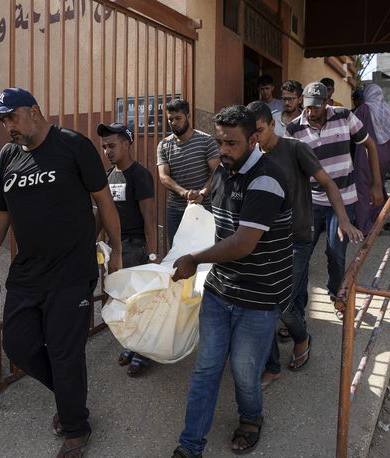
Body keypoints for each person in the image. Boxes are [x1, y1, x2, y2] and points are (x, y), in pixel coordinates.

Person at [0, 88, 122, 457]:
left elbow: (103, 199)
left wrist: (117, 251)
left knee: (64, 351)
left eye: (12, 116)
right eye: (2, 119)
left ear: (34, 112)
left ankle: (75, 426)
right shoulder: (7, 157)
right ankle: (71, 397)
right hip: (28, 273)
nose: (7, 125)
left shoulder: (72, 145)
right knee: (18, 345)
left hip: (72, 271)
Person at [170, 105, 292, 457]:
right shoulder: (224, 170)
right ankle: (189, 445)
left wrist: (194, 259)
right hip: (221, 288)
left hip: (260, 293)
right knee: (206, 368)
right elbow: (213, 217)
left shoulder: (267, 179)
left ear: (254, 139)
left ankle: (251, 419)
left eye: (231, 143)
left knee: (243, 369)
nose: (223, 150)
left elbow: (242, 243)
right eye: (220, 142)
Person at [247, 101, 363, 387]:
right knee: (271, 301)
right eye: (250, 133)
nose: (255, 138)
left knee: (281, 304)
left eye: (259, 131)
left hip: (296, 238)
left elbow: (329, 184)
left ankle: (301, 337)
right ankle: (272, 364)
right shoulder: (251, 155)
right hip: (261, 239)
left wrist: (343, 220)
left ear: (272, 125)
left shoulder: (295, 149)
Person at [285, 81, 384, 308]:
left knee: (335, 253)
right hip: (311, 202)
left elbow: (370, 145)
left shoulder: (344, 116)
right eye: (308, 107)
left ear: (327, 104)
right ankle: (296, 309)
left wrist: (376, 184)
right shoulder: (293, 130)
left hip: (343, 199)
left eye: (316, 108)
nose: (311, 112)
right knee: (301, 256)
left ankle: (337, 295)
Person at [97, 122, 155, 377]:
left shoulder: (140, 175)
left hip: (135, 247)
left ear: (127, 144)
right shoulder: (109, 176)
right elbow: (102, 213)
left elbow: (150, 220)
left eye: (112, 146)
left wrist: (153, 256)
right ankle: (132, 345)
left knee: (138, 303)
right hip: (115, 249)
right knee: (123, 301)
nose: (107, 151)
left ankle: (144, 353)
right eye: (104, 147)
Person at [156, 99, 219, 246]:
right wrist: (184, 193)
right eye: (170, 119)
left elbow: (217, 172)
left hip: (204, 207)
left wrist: (202, 194)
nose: (174, 122)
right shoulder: (164, 145)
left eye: (178, 118)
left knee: (205, 251)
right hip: (176, 210)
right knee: (177, 254)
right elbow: (164, 177)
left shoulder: (206, 140)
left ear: (188, 116)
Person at [352, 84, 390, 235]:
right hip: (385, 156)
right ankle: (376, 223)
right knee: (378, 186)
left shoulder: (364, 109)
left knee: (363, 189)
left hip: (365, 155)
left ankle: (364, 227)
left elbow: (353, 130)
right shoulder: (387, 111)